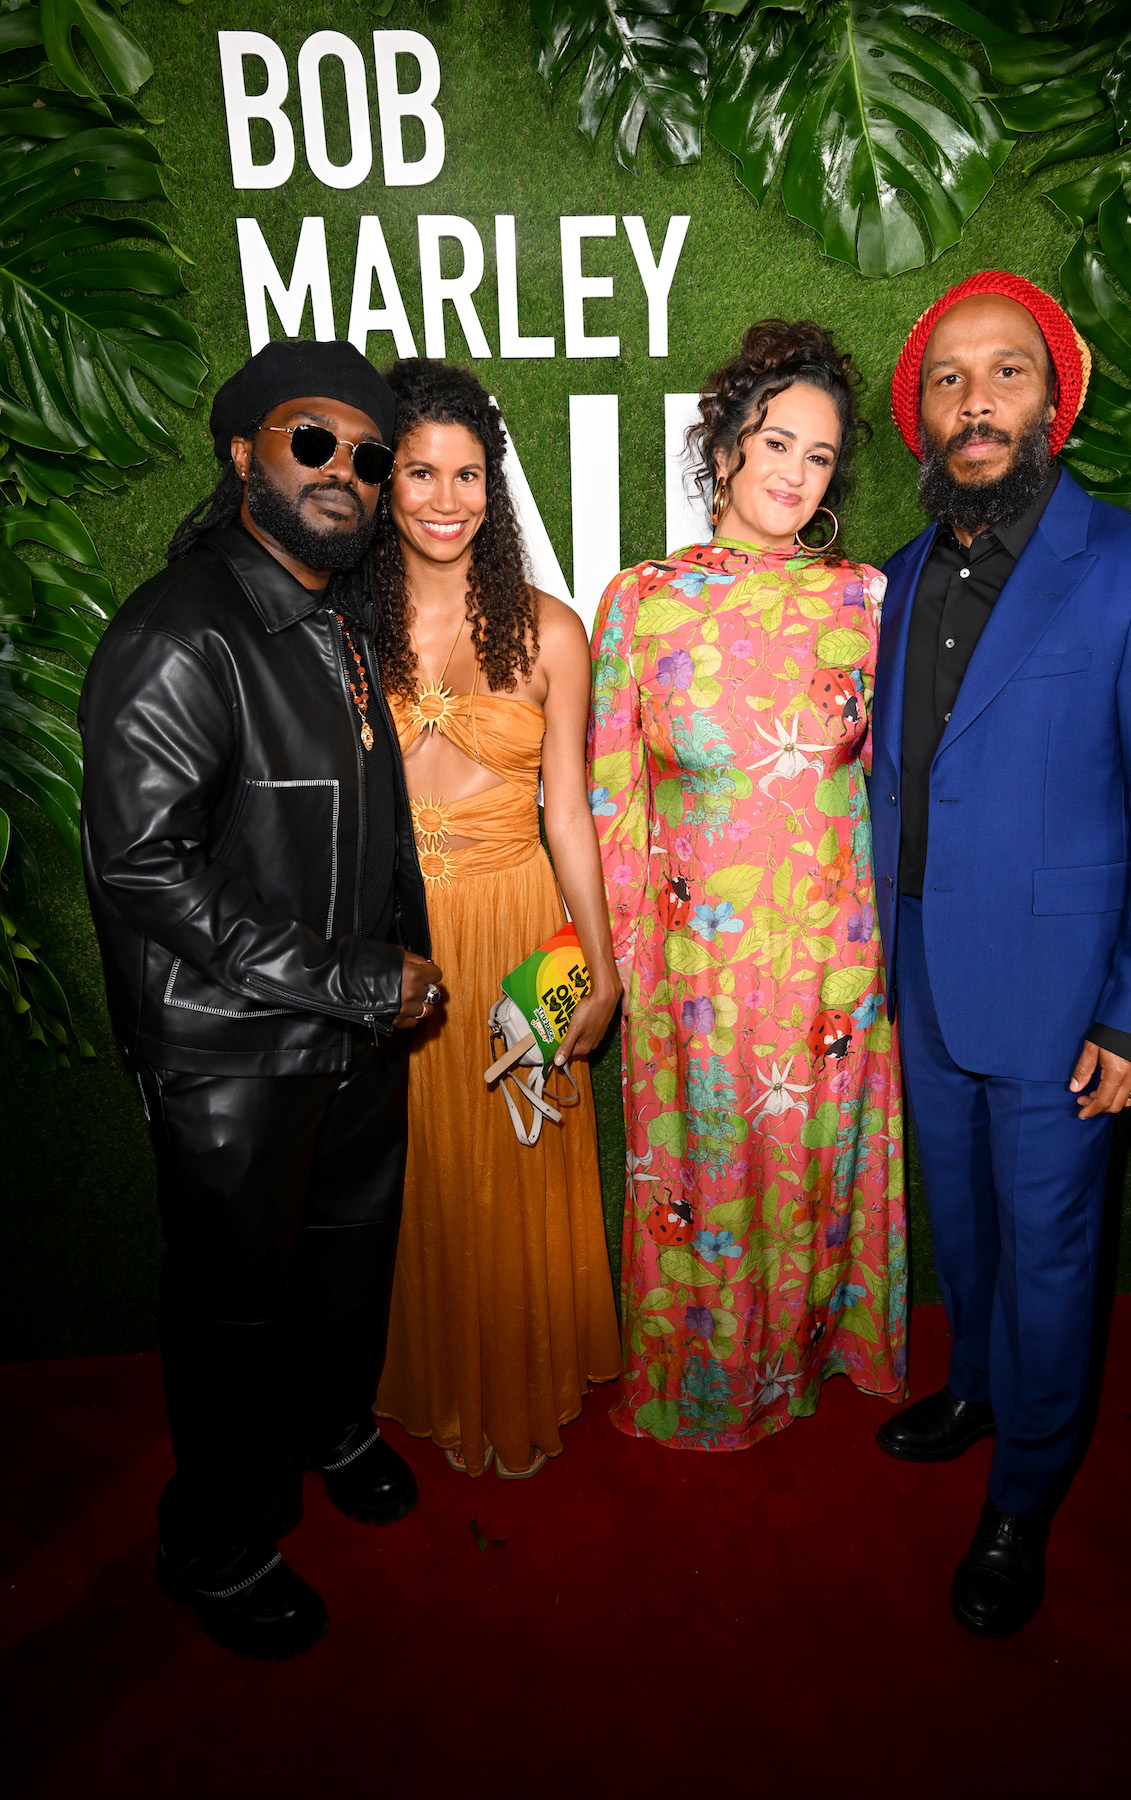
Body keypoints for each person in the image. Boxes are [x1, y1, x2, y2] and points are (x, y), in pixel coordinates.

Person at [79, 339, 443, 1660]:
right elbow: (142, 868)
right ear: (244, 454)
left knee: (346, 1265)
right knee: (237, 1308)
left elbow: (370, 836)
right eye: (312, 442)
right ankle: (217, 1545)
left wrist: (382, 982)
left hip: (352, 1038)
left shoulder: (335, 627)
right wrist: (350, 979)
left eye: (368, 457)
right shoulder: (179, 630)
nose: (345, 471)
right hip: (232, 1054)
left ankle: (330, 1430)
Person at [869, 271, 1131, 1637]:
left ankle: (1027, 1490)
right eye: (949, 378)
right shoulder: (896, 578)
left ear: (1051, 403)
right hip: (929, 982)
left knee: (1057, 1249)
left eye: (1004, 372)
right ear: (924, 420)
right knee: (968, 1218)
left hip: (1067, 1003)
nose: (975, 398)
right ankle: (978, 1390)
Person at [589, 318, 908, 1452]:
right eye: (775, 441)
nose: (792, 472)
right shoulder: (642, 600)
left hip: (832, 959)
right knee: (709, 1187)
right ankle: (710, 1379)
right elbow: (611, 801)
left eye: (818, 456)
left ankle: (816, 1351)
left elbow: (898, 785)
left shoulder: (868, 601)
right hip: (695, 965)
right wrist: (623, 968)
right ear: (722, 445)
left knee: (815, 1172)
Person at [371, 358, 622, 1478]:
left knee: (519, 1160)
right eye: (419, 470)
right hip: (394, 936)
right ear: (384, 483)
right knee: (413, 1166)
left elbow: (569, 812)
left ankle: (519, 1380)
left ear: (494, 484)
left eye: (466, 473)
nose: (443, 496)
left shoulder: (554, 632)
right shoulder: (339, 629)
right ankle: (427, 1377)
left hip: (526, 928)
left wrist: (602, 971)